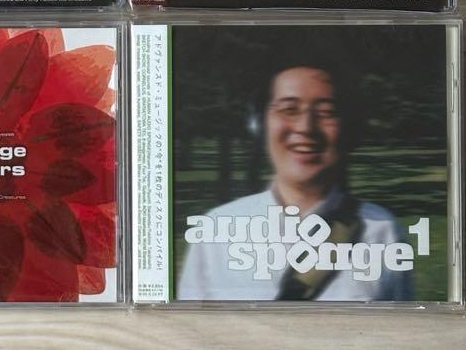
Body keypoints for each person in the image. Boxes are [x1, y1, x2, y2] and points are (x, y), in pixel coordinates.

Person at [177, 55, 413, 302]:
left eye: (326, 112)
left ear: (347, 128)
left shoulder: (382, 231)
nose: (306, 127)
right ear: (259, 124)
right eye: (289, 109)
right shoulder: (214, 231)